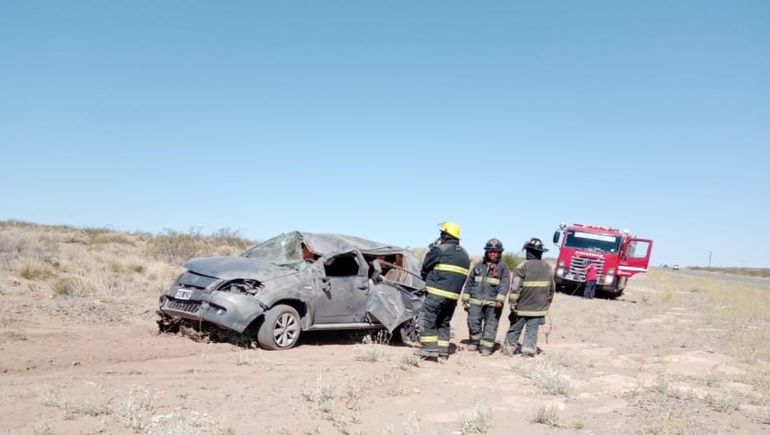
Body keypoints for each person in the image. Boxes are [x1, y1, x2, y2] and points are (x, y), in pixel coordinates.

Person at [416, 222, 470, 360]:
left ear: (445, 234)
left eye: (441, 233)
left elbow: (426, 267)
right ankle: (442, 351)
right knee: (443, 323)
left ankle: (428, 350)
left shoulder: (440, 250)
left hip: (436, 293)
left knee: (427, 319)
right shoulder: (464, 254)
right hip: (452, 297)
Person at [504, 237, 555, 358]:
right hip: (538, 308)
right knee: (532, 330)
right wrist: (547, 304)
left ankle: (508, 349)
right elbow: (551, 289)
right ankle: (528, 351)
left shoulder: (522, 266)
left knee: (515, 328)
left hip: (522, 307)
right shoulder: (548, 267)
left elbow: (515, 288)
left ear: (528, 251)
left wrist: (512, 303)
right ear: (541, 253)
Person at [462, 238, 511, 356]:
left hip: (493, 303)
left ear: (500, 253)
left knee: (491, 325)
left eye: (496, 252)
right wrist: (465, 296)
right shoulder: (479, 266)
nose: (493, 254)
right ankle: (475, 342)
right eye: (491, 251)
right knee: (473, 322)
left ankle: (486, 347)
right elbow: (469, 281)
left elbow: (505, 284)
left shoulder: (503, 268)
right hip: (475, 301)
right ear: (486, 252)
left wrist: (500, 299)